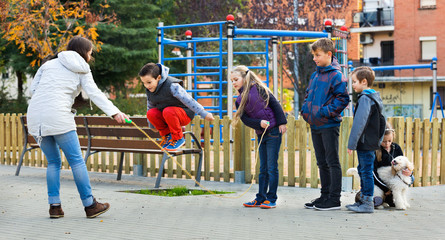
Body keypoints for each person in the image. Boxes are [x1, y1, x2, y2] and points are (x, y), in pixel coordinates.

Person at [27, 36, 130, 218]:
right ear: (84, 53)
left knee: (53, 162)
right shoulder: (82, 68)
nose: (90, 57)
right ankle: (90, 205)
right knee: (76, 161)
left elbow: (33, 90)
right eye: (90, 53)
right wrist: (115, 112)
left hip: (36, 117)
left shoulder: (48, 65)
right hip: (58, 117)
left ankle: (55, 207)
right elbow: (95, 93)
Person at [301, 38, 349, 211]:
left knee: (332, 161)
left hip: (328, 125)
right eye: (313, 55)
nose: (314, 58)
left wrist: (324, 112)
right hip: (315, 125)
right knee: (321, 162)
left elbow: (343, 99)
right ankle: (324, 196)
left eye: (317, 55)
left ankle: (334, 199)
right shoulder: (316, 74)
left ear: (329, 54)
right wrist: (306, 111)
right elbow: (308, 95)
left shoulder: (336, 75)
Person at [230, 65, 287, 209]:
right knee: (263, 168)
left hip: (273, 132)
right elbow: (245, 120)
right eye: (231, 81)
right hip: (262, 134)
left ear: (244, 78)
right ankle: (260, 197)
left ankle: (271, 198)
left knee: (271, 167)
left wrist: (282, 122)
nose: (234, 83)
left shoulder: (259, 88)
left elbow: (275, 104)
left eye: (236, 79)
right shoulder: (239, 100)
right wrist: (258, 123)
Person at [138, 63, 214, 151]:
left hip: (184, 113)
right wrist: (152, 125)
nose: (147, 86)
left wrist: (203, 113)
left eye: (149, 82)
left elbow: (188, 100)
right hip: (168, 115)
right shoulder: (150, 90)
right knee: (151, 113)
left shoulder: (172, 85)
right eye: (144, 83)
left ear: (158, 78)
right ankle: (168, 136)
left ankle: (178, 138)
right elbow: (150, 106)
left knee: (168, 111)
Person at [346, 66, 384, 213]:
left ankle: (368, 203)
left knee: (366, 171)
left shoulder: (365, 99)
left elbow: (359, 123)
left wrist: (351, 144)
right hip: (370, 142)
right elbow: (381, 122)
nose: (353, 85)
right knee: (363, 170)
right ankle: (363, 200)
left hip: (365, 142)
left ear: (364, 81)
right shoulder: (374, 97)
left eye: (354, 82)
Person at [373, 124, 412, 207]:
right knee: (379, 193)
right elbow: (373, 173)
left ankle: (393, 198)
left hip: (394, 177)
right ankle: (385, 198)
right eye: (384, 141)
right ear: (379, 139)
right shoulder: (375, 150)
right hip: (380, 180)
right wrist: (385, 189)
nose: (387, 144)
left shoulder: (396, 148)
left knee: (410, 178)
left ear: (393, 137)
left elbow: (403, 162)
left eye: (389, 141)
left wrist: (409, 172)